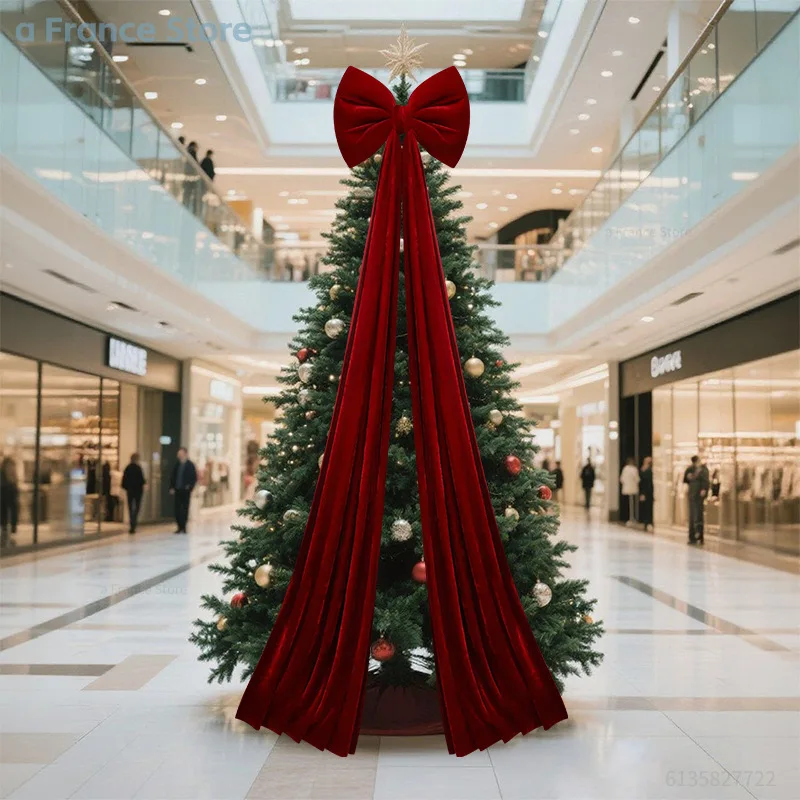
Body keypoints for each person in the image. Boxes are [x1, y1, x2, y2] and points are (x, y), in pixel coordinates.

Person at [683, 455, 710, 544]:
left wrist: (704, 489)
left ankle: (699, 536)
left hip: (698, 496)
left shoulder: (703, 470)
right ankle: (693, 536)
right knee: (693, 516)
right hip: (692, 495)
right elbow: (686, 479)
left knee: (698, 515)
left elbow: (706, 481)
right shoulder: (690, 469)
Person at [170, 448, 197, 534]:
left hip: (186, 490)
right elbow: (172, 476)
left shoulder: (190, 465)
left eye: (180, 453)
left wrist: (190, 487)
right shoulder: (177, 465)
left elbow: (194, 477)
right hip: (177, 490)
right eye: (178, 453)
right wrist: (172, 487)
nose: (179, 455)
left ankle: (184, 527)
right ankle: (179, 527)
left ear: (185, 454)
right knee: (177, 508)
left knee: (185, 508)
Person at [121, 453, 146, 534]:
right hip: (138, 491)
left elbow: (123, 481)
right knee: (137, 508)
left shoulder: (127, 468)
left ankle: (132, 523)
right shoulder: (138, 468)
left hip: (130, 491)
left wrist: (127, 488)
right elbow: (142, 480)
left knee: (130, 508)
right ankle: (134, 523)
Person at [0, 457, 20, 547]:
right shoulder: (3, 477)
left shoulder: (13, 477)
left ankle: (8, 533)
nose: (11, 468)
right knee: (4, 516)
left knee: (11, 514)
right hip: (4, 501)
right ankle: (5, 535)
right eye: (9, 466)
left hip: (11, 501)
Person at [620, 456, 640, 525]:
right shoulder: (634, 469)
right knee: (632, 503)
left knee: (630, 502)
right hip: (633, 488)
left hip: (627, 488)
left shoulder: (625, 469)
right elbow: (637, 479)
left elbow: (622, 479)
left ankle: (631, 517)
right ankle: (632, 518)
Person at [639, 456, 654, 531]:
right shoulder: (645, 471)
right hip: (646, 492)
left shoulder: (647, 470)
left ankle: (647, 522)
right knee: (646, 508)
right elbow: (643, 483)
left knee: (648, 508)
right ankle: (646, 522)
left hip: (648, 492)